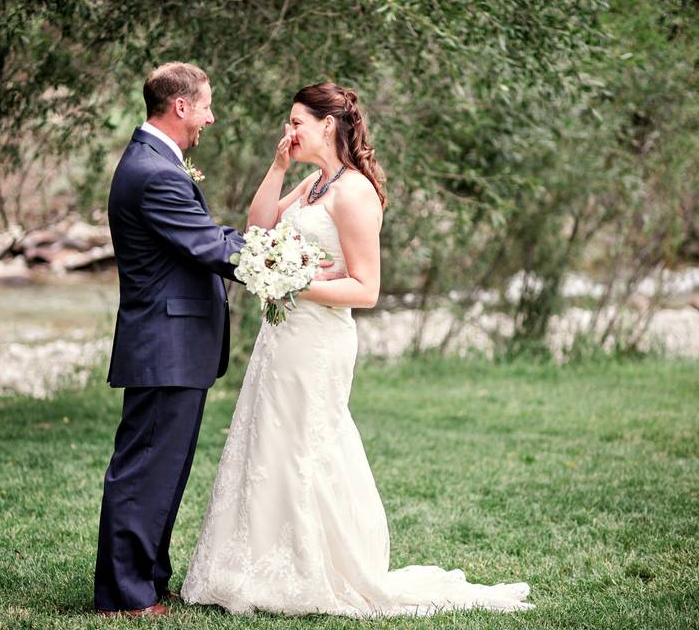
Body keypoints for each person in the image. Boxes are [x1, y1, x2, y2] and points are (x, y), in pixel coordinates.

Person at [181, 83, 534, 616]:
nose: (289, 131)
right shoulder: (314, 183)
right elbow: (257, 229)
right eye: (287, 122)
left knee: (307, 445)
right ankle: (256, 566)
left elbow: (366, 290)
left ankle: (317, 569)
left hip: (319, 339)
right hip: (283, 336)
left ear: (329, 125)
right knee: (268, 442)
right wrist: (277, 170)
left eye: (297, 122)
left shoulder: (354, 192)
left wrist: (292, 283)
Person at [93, 62, 244, 618]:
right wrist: (289, 262)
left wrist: (259, 243)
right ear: (180, 107)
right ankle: (125, 596)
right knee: (144, 472)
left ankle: (148, 580)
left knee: (163, 471)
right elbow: (210, 248)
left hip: (173, 347)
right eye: (205, 104)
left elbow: (206, 237)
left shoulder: (155, 162)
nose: (211, 115)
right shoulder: (154, 171)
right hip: (165, 346)